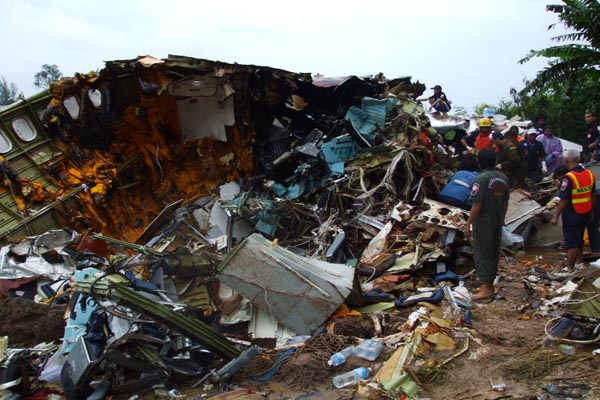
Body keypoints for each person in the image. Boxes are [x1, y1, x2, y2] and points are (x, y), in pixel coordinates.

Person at [464, 149, 510, 301]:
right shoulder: (503, 178)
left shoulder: (481, 179)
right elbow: (505, 202)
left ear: (479, 162)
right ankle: (489, 284)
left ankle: (487, 288)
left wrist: (468, 224)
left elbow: (477, 204)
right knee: (493, 251)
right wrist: (501, 219)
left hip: (483, 220)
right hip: (497, 219)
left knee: (483, 252)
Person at [551, 149, 596, 271]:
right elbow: (593, 195)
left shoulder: (568, 178)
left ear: (566, 160)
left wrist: (556, 215)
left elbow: (564, 200)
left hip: (572, 213)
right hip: (585, 212)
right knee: (579, 238)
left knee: (572, 242)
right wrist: (591, 211)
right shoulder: (590, 174)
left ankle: (570, 268)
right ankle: (579, 263)